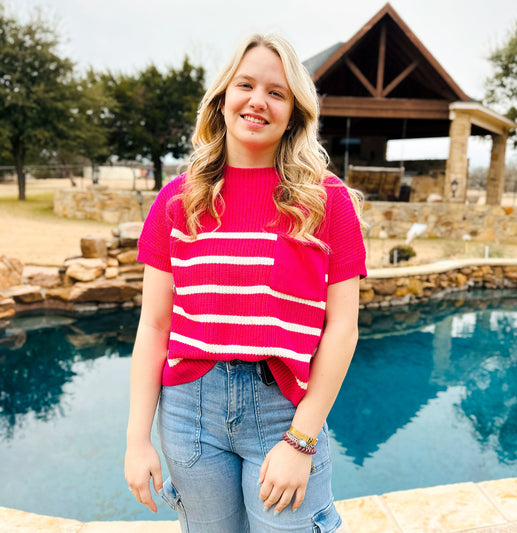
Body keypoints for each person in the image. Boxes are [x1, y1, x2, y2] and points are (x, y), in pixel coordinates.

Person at [125, 33, 367, 533]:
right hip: (190, 410)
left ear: (294, 111)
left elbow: (342, 330)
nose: (258, 100)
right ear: (222, 98)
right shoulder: (177, 200)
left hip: (284, 411)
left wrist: (301, 440)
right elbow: (154, 325)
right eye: (246, 84)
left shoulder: (327, 201)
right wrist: (136, 439)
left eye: (277, 92)